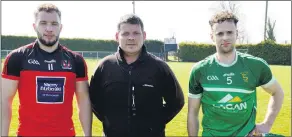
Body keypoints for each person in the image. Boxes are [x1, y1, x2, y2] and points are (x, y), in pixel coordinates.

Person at [187, 11, 284, 136]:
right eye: (220, 33)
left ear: (236, 34)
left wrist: (267, 124)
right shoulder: (199, 70)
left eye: (230, 32)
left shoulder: (256, 66)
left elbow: (277, 92)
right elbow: (192, 112)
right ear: (212, 36)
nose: (225, 37)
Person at [1, 3, 92, 136]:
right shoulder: (17, 58)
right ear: (34, 26)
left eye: (54, 24)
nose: (49, 29)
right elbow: (4, 100)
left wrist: (87, 135)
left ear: (60, 27)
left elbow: (83, 101)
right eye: (43, 23)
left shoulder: (76, 60)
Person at [89, 14, 185, 137]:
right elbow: (93, 100)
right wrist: (111, 121)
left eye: (136, 33)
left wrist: (155, 122)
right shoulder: (105, 66)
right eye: (125, 34)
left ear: (144, 36)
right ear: (117, 36)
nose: (131, 38)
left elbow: (177, 101)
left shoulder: (159, 67)